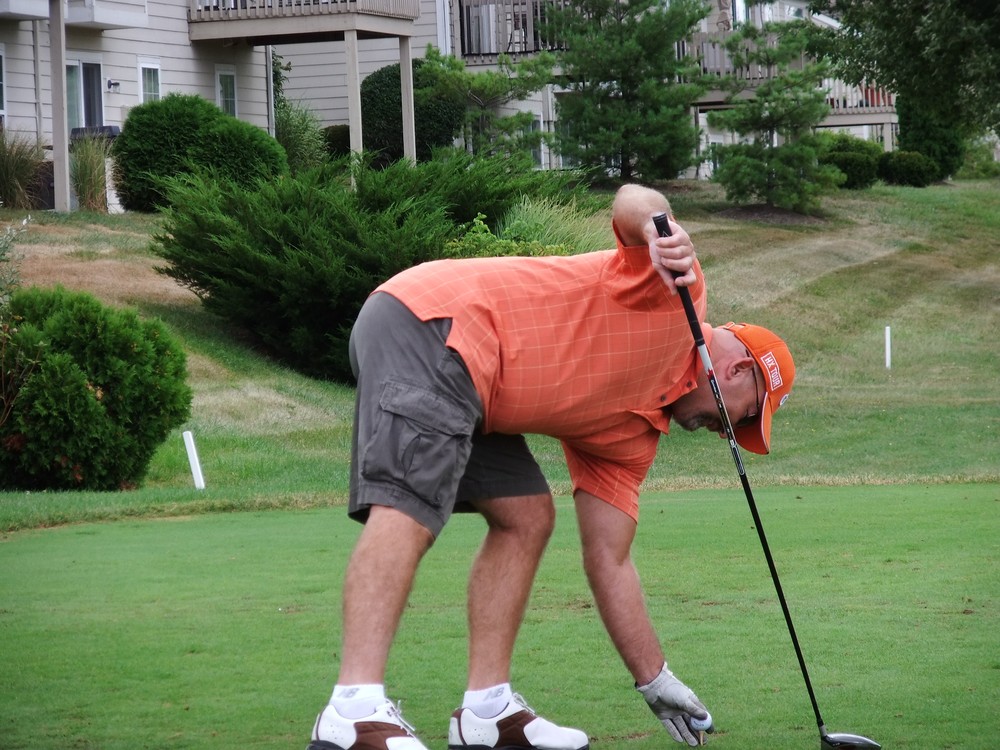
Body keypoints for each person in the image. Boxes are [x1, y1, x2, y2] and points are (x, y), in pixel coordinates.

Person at [306, 184, 796, 750]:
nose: (728, 434)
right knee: (410, 501)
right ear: (736, 372)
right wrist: (659, 224)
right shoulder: (675, 295)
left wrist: (654, 678)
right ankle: (352, 710)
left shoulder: (631, 441)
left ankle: (486, 712)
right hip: (436, 322)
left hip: (480, 388)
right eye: (743, 418)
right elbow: (629, 199)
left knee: (527, 515)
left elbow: (609, 560)